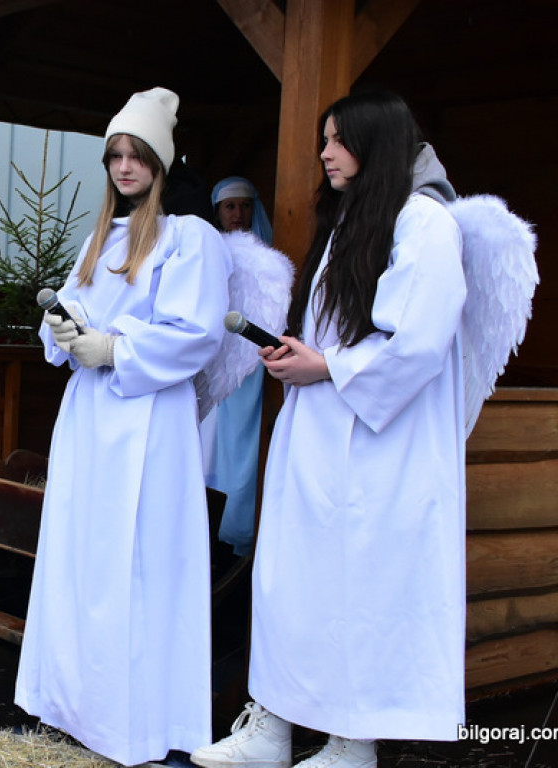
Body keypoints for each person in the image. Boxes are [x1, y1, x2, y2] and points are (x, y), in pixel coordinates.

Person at [191, 91, 466, 768]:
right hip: (319, 433)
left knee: (359, 590)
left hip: (375, 444)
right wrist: (300, 352)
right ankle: (273, 730)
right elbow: (338, 330)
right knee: (294, 583)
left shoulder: (425, 223)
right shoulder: (356, 217)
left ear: (376, 142)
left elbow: (420, 344)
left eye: (337, 139)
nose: (324, 152)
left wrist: (330, 367)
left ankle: (352, 741)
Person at [15, 87, 232, 766]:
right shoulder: (100, 237)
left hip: (146, 419)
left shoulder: (190, 238)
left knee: (138, 565)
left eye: (137, 155)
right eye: (115, 155)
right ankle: (73, 701)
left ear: (161, 163)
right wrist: (64, 330)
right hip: (89, 419)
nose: (124, 167)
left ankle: (136, 719)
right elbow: (74, 314)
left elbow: (196, 332)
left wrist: (117, 349)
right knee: (82, 557)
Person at [200, 176, 274, 556]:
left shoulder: (268, 253)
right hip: (215, 360)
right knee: (208, 446)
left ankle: (240, 529)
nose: (238, 214)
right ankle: (209, 532)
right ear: (219, 211)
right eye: (230, 207)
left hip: (252, 367)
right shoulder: (209, 249)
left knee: (242, 448)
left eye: (245, 206)